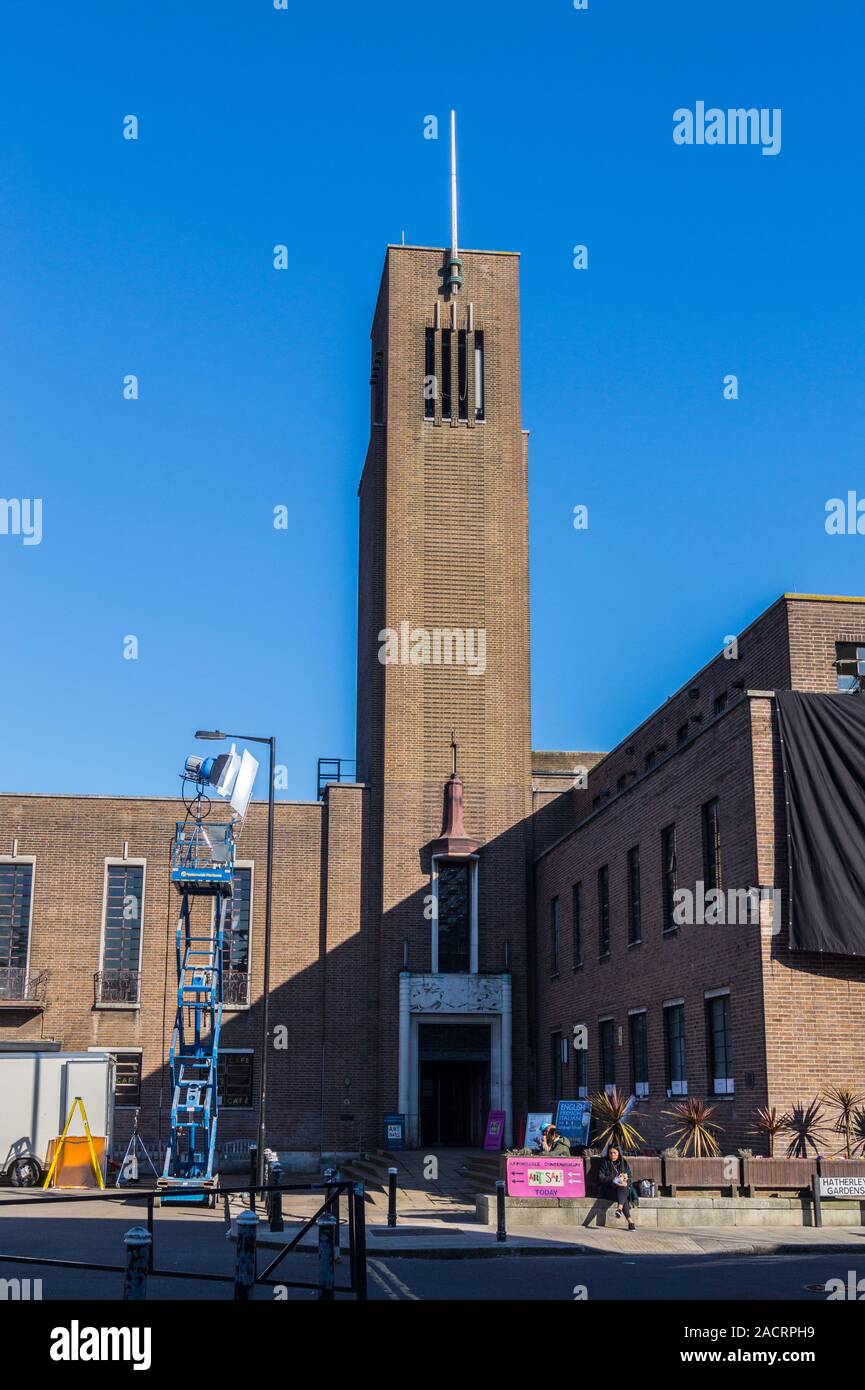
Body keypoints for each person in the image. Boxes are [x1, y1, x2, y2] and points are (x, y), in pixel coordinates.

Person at [598, 1144, 636, 1229]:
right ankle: (629, 1220)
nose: (612, 1155)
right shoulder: (605, 1162)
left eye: (615, 1153)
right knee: (623, 1195)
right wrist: (614, 1178)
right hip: (608, 1190)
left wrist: (626, 1180)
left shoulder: (624, 1162)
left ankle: (621, 1210)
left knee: (623, 1186)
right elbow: (601, 1178)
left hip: (621, 1190)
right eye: (610, 1153)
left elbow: (630, 1177)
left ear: (619, 1153)